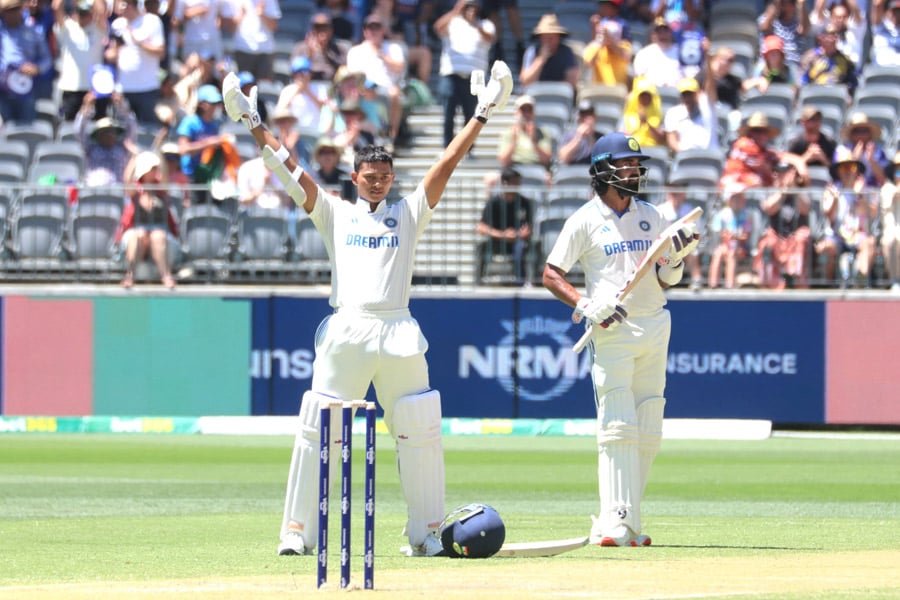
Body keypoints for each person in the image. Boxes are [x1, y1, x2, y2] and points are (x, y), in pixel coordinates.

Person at [220, 58, 513, 556]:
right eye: (369, 176)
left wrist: (482, 113)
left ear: (392, 178)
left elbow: (447, 163)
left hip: (398, 330)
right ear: (355, 178)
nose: (377, 182)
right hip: (349, 329)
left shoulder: (408, 213)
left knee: (418, 425)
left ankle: (426, 532)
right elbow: (293, 175)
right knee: (320, 426)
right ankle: (297, 530)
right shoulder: (335, 213)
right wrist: (253, 123)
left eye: (384, 176)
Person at [541, 132, 700, 547]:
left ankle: (625, 521)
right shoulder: (584, 220)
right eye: (624, 165)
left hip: (655, 323)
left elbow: (666, 277)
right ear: (601, 171)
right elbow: (551, 273)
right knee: (617, 424)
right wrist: (586, 302)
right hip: (613, 330)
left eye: (635, 164)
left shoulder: (653, 215)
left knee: (649, 426)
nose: (632, 171)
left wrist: (678, 258)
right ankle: (616, 523)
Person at [433, 0, 495, 149]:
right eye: (467, 7)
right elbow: (437, 28)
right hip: (451, 75)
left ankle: (468, 149)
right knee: (449, 114)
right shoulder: (452, 23)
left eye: (473, 7)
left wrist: (475, 24)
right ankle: (447, 147)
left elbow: (489, 38)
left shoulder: (486, 25)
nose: (470, 10)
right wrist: (455, 11)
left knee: (472, 116)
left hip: (474, 78)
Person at [117, 151, 180, 289]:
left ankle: (166, 275)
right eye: (152, 169)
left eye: (155, 168)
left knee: (158, 235)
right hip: (137, 229)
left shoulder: (161, 188)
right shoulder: (136, 190)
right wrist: (134, 157)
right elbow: (127, 180)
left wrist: (159, 154)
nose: (155, 171)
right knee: (138, 235)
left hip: (160, 229)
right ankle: (130, 275)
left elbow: (164, 174)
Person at [106, 0, 166, 124]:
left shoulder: (152, 21)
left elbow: (160, 52)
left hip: (147, 88)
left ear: (131, 5)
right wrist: (115, 49)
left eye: (122, 5)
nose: (118, 9)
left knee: (147, 130)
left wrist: (138, 42)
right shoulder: (117, 24)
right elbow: (111, 55)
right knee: (123, 131)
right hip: (123, 88)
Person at [755, 162, 812, 289]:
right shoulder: (770, 191)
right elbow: (769, 208)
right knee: (768, 242)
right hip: (776, 237)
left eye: (784, 172)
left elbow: (805, 209)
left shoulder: (801, 192)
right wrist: (783, 191)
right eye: (777, 172)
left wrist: (794, 190)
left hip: (794, 237)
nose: (780, 175)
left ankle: (796, 280)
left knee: (802, 237)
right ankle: (771, 285)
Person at [475, 166, 534, 285]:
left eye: (518, 183)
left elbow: (528, 229)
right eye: (514, 182)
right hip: (497, 240)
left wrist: (518, 234)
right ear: (505, 183)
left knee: (521, 248)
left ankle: (520, 282)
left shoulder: (525, 203)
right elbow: (481, 227)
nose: (517, 186)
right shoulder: (493, 202)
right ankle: (479, 282)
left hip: (517, 241)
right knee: (481, 247)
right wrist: (502, 235)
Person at [53, 0, 108, 121]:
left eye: (86, 13)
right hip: (71, 87)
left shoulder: (98, 28)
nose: (83, 17)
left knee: (96, 128)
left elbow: (102, 11)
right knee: (70, 128)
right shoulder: (67, 28)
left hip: (95, 88)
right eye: (80, 13)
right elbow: (56, 7)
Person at [0, 0, 53, 124]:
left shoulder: (33, 31)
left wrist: (36, 68)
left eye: (16, 9)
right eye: (9, 10)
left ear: (22, 10)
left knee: (25, 127)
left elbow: (47, 60)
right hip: (2, 91)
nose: (13, 14)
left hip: (25, 89)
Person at [76, 92, 139, 186]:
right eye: (105, 132)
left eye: (112, 131)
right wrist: (86, 108)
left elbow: (133, 127)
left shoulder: (123, 147)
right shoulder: (90, 148)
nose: (109, 134)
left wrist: (122, 107)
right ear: (99, 135)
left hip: (118, 191)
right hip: (94, 191)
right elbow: (79, 130)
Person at [707, 182, 754, 290]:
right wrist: (732, 237)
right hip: (725, 246)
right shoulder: (722, 215)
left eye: (740, 197)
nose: (738, 201)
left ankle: (730, 285)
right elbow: (721, 234)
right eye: (735, 198)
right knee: (718, 253)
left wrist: (733, 237)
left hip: (741, 249)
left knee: (732, 253)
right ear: (729, 200)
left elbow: (745, 236)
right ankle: (712, 285)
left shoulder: (747, 215)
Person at [519, 14, 579, 89]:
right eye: (546, 38)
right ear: (540, 38)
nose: (549, 42)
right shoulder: (532, 52)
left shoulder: (566, 52)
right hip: (536, 96)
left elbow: (572, 82)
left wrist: (552, 89)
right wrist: (541, 59)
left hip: (560, 96)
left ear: (558, 37)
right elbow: (525, 82)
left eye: (552, 38)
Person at [497, 94, 553, 171]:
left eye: (529, 110)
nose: (526, 114)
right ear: (516, 112)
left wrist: (534, 141)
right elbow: (504, 160)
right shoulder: (508, 133)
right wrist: (514, 142)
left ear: (533, 113)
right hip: (514, 168)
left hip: (537, 167)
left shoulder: (542, 132)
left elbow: (546, 160)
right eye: (523, 110)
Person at [291, 11, 350, 83]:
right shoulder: (300, 48)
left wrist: (325, 52)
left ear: (331, 30)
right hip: (307, 87)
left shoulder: (339, 48)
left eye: (325, 28)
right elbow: (295, 72)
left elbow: (344, 71)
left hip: (331, 87)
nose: (322, 32)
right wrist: (310, 54)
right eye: (318, 28)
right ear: (312, 30)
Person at [663, 76, 718, 154]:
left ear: (698, 93)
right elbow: (671, 139)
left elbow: (711, 87)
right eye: (685, 94)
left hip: (708, 154)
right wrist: (683, 153)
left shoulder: (708, 109)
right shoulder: (673, 113)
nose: (687, 98)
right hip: (685, 155)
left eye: (690, 94)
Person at [582, 4, 632, 87]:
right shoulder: (594, 46)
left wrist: (611, 41)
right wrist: (601, 43)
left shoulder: (624, 46)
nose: (608, 35)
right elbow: (589, 62)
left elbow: (626, 56)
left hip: (618, 92)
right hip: (599, 91)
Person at [835, 112, 889, 188]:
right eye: (856, 131)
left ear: (870, 134)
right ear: (851, 134)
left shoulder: (879, 152)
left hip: (872, 192)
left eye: (864, 131)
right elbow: (839, 177)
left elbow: (883, 180)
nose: (861, 135)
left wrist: (871, 161)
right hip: (848, 189)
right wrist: (854, 160)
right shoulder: (841, 151)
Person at [230, 0, 281, 80]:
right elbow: (228, 26)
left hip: (265, 50)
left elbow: (274, 26)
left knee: (264, 87)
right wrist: (241, 15)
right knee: (244, 86)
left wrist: (262, 14)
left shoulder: (270, 1)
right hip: (243, 49)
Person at [758, 0, 810, 75]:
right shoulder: (769, 19)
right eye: (783, 3)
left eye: (789, 3)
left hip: (793, 67)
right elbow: (764, 27)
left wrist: (801, 5)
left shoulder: (798, 23)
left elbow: (805, 30)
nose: (784, 6)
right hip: (769, 66)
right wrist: (776, 5)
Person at [622, 77, 665, 149]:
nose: (645, 98)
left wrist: (647, 122)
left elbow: (661, 138)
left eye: (647, 96)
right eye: (642, 96)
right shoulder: (628, 115)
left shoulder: (659, 114)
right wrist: (639, 126)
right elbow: (622, 137)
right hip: (632, 148)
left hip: (652, 149)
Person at [556, 100, 603, 165]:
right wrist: (578, 137)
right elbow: (563, 157)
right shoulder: (569, 136)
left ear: (595, 116)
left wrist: (590, 136)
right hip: (573, 172)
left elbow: (602, 159)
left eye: (589, 114)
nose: (585, 118)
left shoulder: (601, 137)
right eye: (583, 115)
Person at [880, 152, 900, 291]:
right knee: (891, 241)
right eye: (898, 170)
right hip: (892, 229)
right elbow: (893, 198)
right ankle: (895, 280)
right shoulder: (887, 188)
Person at [870, 0, 900, 66]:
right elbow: (877, 5)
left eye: (898, 12)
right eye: (893, 11)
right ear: (887, 12)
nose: (895, 15)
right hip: (880, 70)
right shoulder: (880, 27)